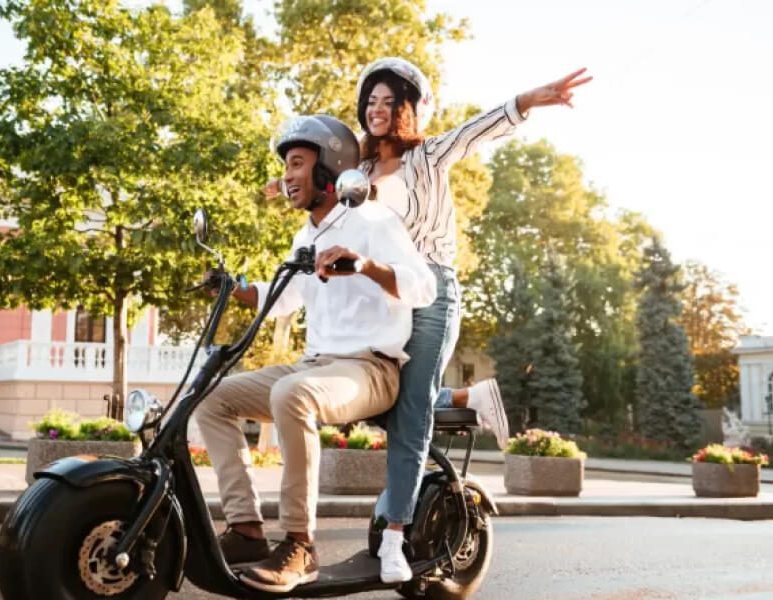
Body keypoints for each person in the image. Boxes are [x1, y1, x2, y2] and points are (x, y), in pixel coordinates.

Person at [353, 57, 592, 584]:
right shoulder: (361, 172)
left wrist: (531, 98)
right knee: (371, 397)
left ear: (409, 110)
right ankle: (467, 400)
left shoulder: (431, 155)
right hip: (384, 298)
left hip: (432, 292)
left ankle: (396, 533)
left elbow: (481, 128)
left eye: (390, 101)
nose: (378, 109)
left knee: (411, 410)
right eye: (371, 100)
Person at [194, 114, 436, 593]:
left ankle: (300, 544)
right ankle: (245, 529)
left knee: (292, 394)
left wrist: (365, 266)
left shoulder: (373, 220)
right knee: (212, 396)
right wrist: (234, 288)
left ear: (329, 167)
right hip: (316, 366)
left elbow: (424, 287)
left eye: (297, 163)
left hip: (371, 368)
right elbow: (281, 300)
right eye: (285, 166)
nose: (286, 176)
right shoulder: (306, 236)